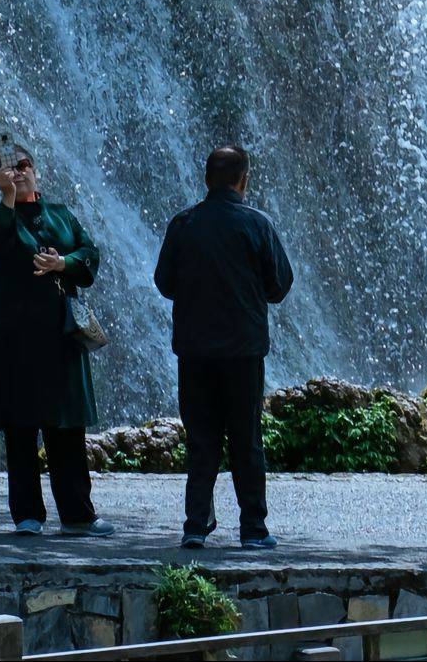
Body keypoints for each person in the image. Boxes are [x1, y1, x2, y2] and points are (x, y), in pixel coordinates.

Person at [152, 144, 294, 551]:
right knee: (246, 437)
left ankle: (195, 525)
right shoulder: (257, 224)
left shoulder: (184, 224)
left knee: (201, 439)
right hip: (243, 351)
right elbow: (280, 285)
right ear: (243, 179)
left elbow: (164, 282)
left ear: (205, 179)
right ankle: (253, 529)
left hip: (194, 350)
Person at [0, 140, 115, 536]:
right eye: (8, 168)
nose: (18, 171)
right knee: (20, 426)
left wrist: (62, 262)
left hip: (60, 335)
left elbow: (90, 253)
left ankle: (78, 514)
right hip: (14, 337)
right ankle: (28, 516)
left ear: (36, 169)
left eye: (23, 165)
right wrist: (6, 199)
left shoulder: (61, 214)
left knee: (67, 427)